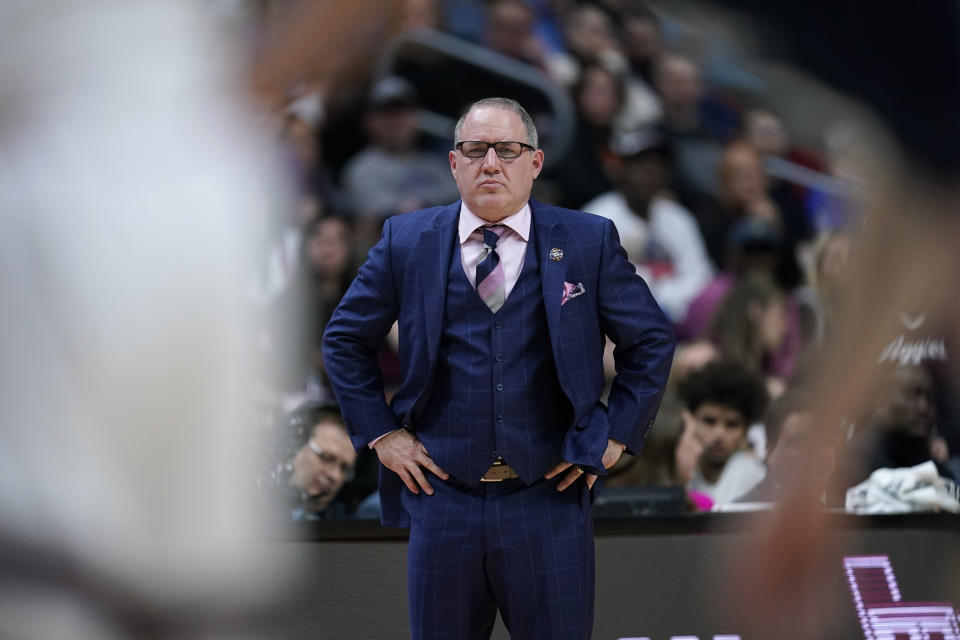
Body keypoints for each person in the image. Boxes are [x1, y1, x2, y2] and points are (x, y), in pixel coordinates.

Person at [322, 97, 674, 639]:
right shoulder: (406, 240)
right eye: (475, 149)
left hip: (549, 499)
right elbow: (344, 339)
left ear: (534, 163)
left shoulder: (587, 239)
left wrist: (617, 437)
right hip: (442, 501)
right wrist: (382, 434)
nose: (490, 163)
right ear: (453, 162)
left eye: (507, 150)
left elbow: (649, 339)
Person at [678, 359, 769, 504]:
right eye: (709, 421)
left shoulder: (750, 473)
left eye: (732, 424)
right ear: (690, 420)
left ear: (746, 430)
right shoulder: (679, 467)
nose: (719, 434)